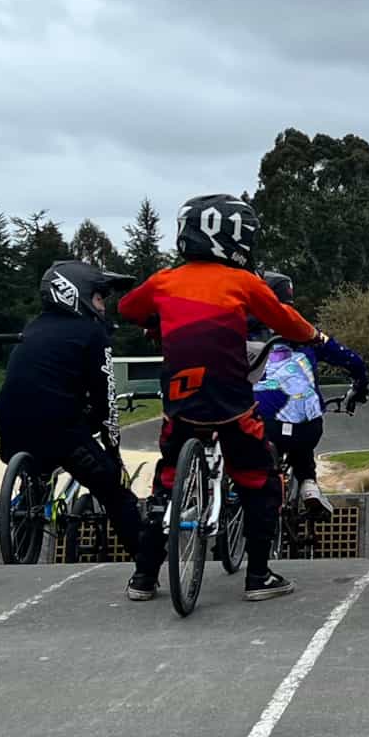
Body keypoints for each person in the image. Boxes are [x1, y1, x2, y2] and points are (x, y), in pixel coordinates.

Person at [118, 195, 317, 600]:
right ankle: (258, 576)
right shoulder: (245, 282)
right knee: (259, 480)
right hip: (230, 400)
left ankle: (143, 577)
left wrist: (155, 321)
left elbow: (126, 308)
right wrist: (313, 337)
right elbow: (286, 320)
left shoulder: (163, 280)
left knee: (167, 481)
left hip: (180, 397)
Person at [0, 258, 144, 560]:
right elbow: (106, 400)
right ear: (76, 294)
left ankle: (29, 507)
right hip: (57, 428)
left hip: (9, 424)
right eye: (99, 297)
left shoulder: (33, 327)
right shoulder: (91, 334)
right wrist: (112, 452)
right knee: (115, 492)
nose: (103, 307)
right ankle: (148, 565)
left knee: (43, 461)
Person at [250, 270, 369, 517]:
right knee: (301, 434)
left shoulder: (243, 332)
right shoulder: (308, 333)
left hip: (259, 421)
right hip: (307, 429)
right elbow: (353, 361)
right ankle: (308, 485)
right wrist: (359, 387)